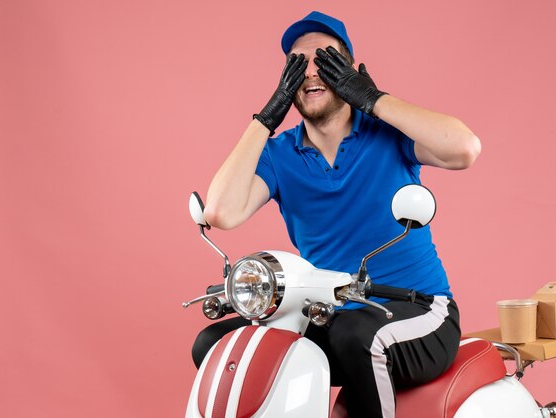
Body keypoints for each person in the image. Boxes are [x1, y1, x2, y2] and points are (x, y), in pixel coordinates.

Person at [192, 11, 481, 418]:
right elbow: (220, 212)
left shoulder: (389, 134)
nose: (311, 74)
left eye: (325, 62)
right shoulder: (280, 155)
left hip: (420, 312)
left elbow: (465, 148)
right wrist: (266, 118)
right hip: (329, 315)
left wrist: (373, 100)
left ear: (349, 71)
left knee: (355, 333)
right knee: (215, 343)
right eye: (298, 66)